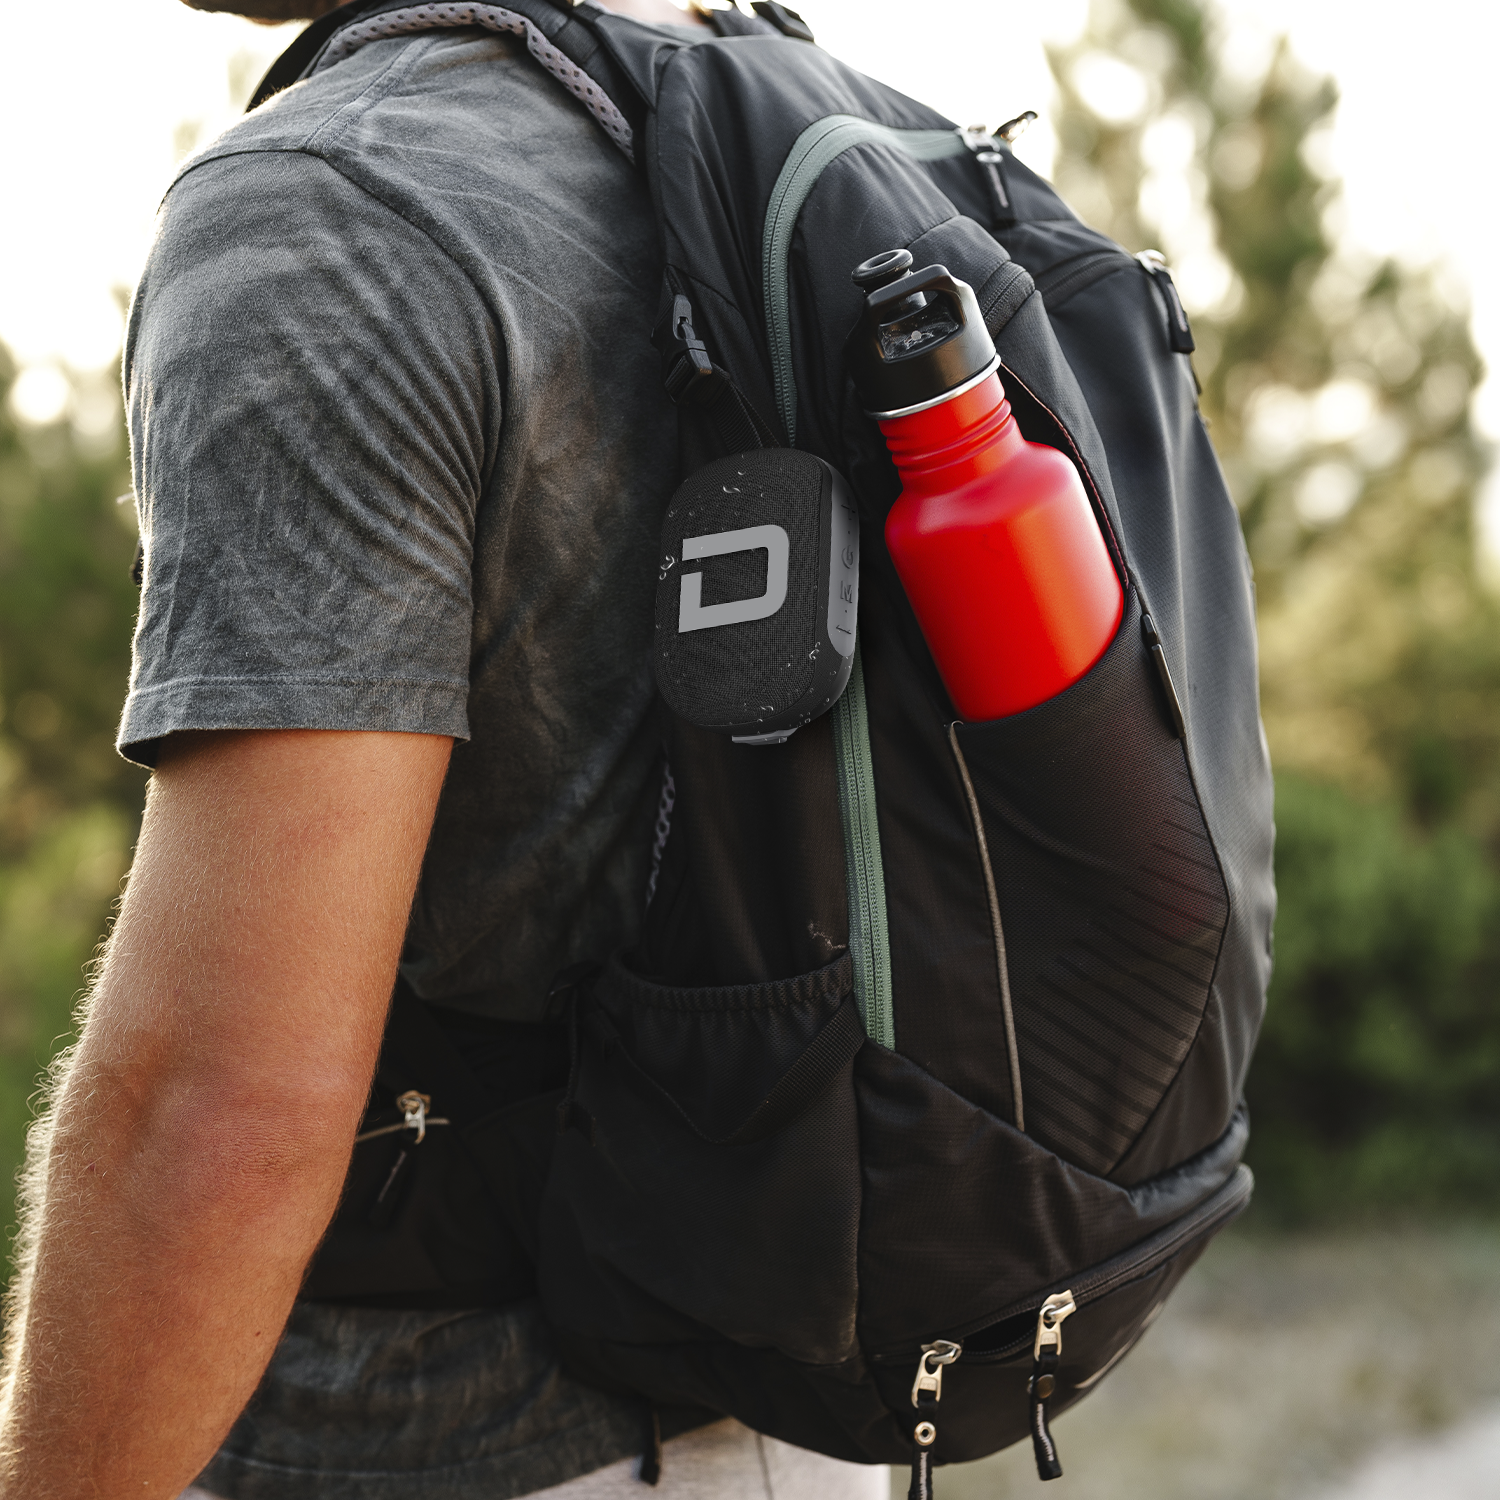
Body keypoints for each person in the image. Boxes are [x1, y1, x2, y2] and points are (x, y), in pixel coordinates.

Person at [0, 1, 890, 1496]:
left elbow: (216, 1122)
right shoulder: (801, 120)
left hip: (437, 1444)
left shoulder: (336, 207)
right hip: (809, 1395)